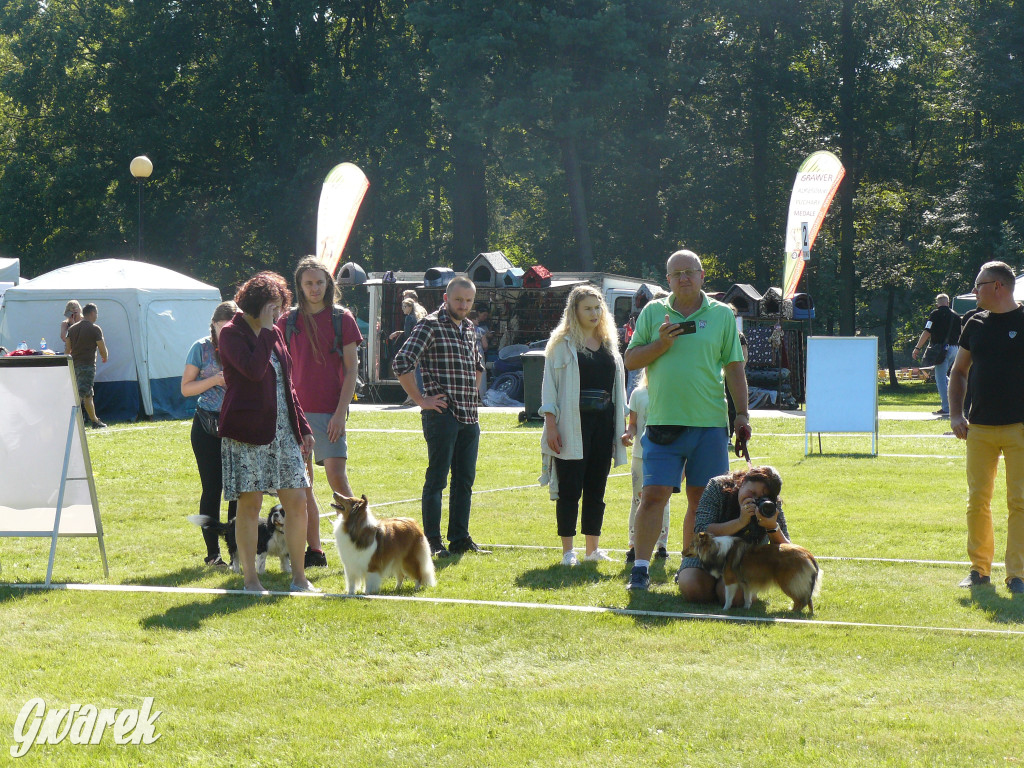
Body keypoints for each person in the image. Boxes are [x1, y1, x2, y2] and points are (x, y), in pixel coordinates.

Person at [622, 249, 748, 591]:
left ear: (702, 275)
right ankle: (641, 569)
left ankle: (690, 565)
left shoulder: (722, 315)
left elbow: (735, 368)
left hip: (709, 425)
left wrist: (742, 416)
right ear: (668, 280)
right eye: (676, 274)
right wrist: (661, 344)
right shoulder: (652, 312)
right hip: (663, 424)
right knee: (652, 496)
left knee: (701, 500)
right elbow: (631, 360)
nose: (683, 279)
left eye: (689, 272)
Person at [218, 271, 318, 593]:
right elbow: (252, 370)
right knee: (250, 505)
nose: (277, 314)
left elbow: (286, 386)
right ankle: (251, 580)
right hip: (248, 434)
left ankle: (299, 578)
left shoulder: (274, 333)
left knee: (298, 500)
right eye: (273, 307)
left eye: (278, 308)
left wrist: (303, 428)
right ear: (258, 304)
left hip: (283, 433)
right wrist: (262, 329)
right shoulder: (232, 334)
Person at [393, 275, 489, 558]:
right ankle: (433, 542)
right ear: (446, 298)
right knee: (437, 480)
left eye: (469, 301)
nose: (463, 305)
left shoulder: (470, 327)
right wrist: (421, 400)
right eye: (458, 299)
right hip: (441, 414)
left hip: (469, 417)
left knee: (465, 481)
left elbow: (479, 366)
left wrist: (473, 395)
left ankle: (460, 538)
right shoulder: (429, 325)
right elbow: (401, 362)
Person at [277, 257, 362, 569]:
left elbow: (352, 369)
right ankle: (315, 551)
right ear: (299, 285)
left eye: (319, 282)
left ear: (329, 284)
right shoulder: (286, 321)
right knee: (304, 486)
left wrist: (341, 413)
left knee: (337, 479)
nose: (314, 288)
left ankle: (359, 542)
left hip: (330, 412)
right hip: (296, 415)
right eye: (308, 282)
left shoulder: (343, 319)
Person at [948, 261, 1024, 594]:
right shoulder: (974, 323)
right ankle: (979, 570)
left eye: (978, 284)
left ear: (998, 287)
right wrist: (955, 414)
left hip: (1020, 427)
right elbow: (959, 371)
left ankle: (1018, 574)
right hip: (978, 427)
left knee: (1020, 503)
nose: (974, 290)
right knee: (978, 501)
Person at [539, 285, 627, 565]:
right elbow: (549, 390)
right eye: (587, 308)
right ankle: (568, 552)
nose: (594, 313)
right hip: (570, 426)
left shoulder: (610, 345)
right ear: (574, 311)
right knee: (569, 489)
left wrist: (622, 426)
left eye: (597, 307)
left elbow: (618, 391)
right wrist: (551, 425)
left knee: (596, 487)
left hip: (603, 425)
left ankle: (592, 550)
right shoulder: (560, 343)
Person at [675, 466, 790, 604]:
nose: (753, 500)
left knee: (735, 597)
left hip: (744, 561)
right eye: (751, 492)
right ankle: (713, 587)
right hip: (707, 555)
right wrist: (740, 522)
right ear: (743, 481)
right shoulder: (717, 486)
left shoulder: (771, 505)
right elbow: (701, 530)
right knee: (693, 588)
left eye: (760, 498)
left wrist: (772, 527)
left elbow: (787, 549)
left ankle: (725, 590)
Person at [181, 301, 239, 568]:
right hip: (206, 425)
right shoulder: (200, 347)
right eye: (223, 326)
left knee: (239, 490)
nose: (228, 331)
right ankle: (213, 554)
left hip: (238, 425)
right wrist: (216, 379)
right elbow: (186, 389)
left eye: (233, 326)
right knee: (213, 488)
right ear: (213, 324)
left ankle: (238, 551)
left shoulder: (243, 345)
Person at [621, 368, 671, 563]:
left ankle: (661, 545)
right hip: (641, 456)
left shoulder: (671, 392)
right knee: (638, 500)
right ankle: (634, 544)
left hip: (664, 456)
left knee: (663, 500)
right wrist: (629, 433)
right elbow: (633, 423)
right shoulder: (638, 394)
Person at [911, 293, 961, 417]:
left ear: (937, 303)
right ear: (948, 302)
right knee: (944, 377)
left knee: (940, 379)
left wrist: (917, 348)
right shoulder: (956, 315)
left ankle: (947, 407)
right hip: (954, 349)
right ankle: (955, 396)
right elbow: (961, 334)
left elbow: (927, 332)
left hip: (940, 350)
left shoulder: (935, 314)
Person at [67, 303, 109, 429]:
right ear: (91, 313)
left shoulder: (72, 329)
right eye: (96, 313)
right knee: (80, 394)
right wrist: (105, 356)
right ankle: (70, 421)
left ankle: (95, 421)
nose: (97, 316)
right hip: (87, 365)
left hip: (74, 365)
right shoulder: (95, 328)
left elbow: (68, 349)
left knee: (88, 394)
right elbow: (102, 347)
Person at [389, 293, 427, 401]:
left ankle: (413, 396)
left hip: (412, 348)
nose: (402, 309)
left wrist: (397, 334)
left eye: (404, 306)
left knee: (410, 371)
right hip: (421, 346)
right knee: (419, 371)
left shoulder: (409, 318)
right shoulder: (418, 316)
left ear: (410, 307)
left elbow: (407, 335)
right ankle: (418, 394)